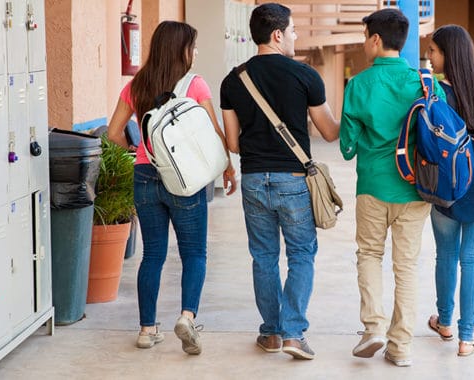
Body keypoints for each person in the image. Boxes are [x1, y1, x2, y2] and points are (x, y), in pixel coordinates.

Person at [106, 20, 237, 355]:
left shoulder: (137, 84)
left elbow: (114, 133)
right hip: (185, 179)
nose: (195, 52)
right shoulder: (195, 84)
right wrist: (227, 168)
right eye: (193, 46)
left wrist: (140, 151)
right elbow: (213, 134)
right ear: (183, 50)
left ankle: (147, 330)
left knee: (152, 254)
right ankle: (186, 317)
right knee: (194, 253)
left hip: (146, 176)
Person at [219, 3, 340, 360]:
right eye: (292, 31)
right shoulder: (305, 77)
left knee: (264, 256)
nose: (295, 35)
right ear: (277, 35)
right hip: (293, 178)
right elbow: (330, 132)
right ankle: (293, 333)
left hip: (254, 179)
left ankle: (271, 333)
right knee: (302, 253)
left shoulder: (232, 80)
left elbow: (233, 144)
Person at [339, 8, 439, 367]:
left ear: (376, 40)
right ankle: (401, 347)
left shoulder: (358, 84)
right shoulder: (426, 83)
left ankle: (374, 328)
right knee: (407, 267)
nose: (364, 44)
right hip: (416, 190)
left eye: (365, 37)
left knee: (369, 255)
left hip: (372, 186)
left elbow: (347, 147)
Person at [424, 24, 474, 357]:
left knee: (446, 255)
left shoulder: (434, 93)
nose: (429, 56)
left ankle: (443, 321)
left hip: (446, 190)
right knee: (473, 260)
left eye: (433, 51)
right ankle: (466, 338)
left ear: (448, 54)